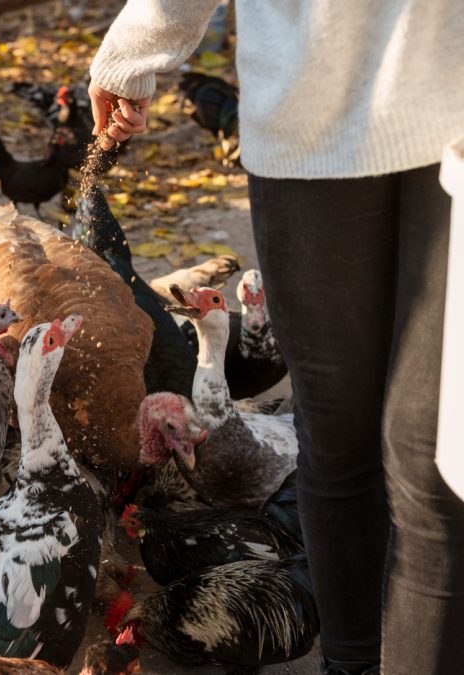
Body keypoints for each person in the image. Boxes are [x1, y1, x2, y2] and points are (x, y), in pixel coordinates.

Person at [86, 2, 464, 674]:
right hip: (305, 111)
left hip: (454, 97)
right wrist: (139, 45)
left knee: (429, 458)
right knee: (339, 440)